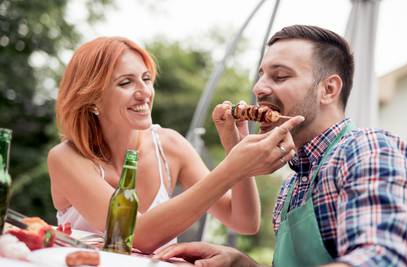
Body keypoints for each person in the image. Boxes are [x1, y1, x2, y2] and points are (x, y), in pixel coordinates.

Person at [154, 25, 407, 266]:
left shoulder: (367, 150)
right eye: (261, 76)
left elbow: (383, 256)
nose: (258, 88)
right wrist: (243, 263)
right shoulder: (292, 184)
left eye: (279, 76)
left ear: (329, 89)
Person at [47, 36, 305, 253]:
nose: (144, 92)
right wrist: (231, 169)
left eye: (146, 79)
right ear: (92, 100)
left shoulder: (169, 146)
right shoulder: (66, 157)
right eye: (126, 82)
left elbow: (244, 221)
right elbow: (135, 236)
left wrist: (233, 148)